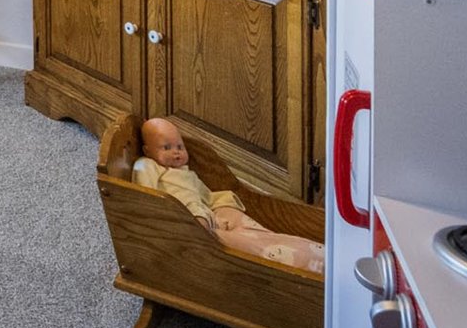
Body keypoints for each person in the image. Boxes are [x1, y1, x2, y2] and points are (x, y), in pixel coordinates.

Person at [135, 116, 325, 273]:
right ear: (147, 151)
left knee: (247, 225)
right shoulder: (148, 165)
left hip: (206, 212)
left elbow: (204, 194)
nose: (176, 153)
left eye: (180, 147)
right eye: (166, 147)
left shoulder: (186, 172)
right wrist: (154, 214)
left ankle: (305, 252)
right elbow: (143, 192)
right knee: (206, 235)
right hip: (183, 216)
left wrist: (221, 205)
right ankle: (296, 259)